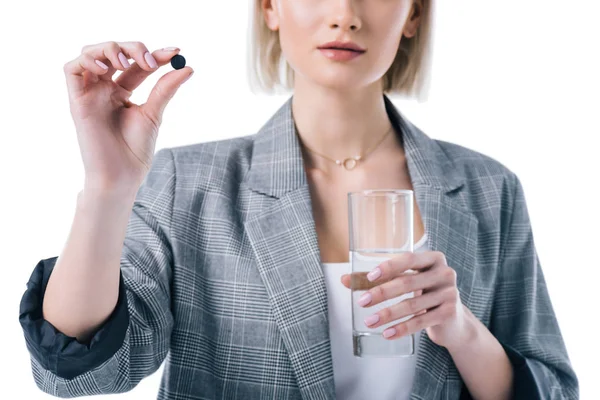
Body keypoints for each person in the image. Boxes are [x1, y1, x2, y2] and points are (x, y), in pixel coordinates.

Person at [18, 0, 579, 399]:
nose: (345, 13)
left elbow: (551, 389)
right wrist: (106, 188)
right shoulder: (186, 184)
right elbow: (81, 372)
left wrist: (461, 330)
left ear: (413, 14)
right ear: (270, 7)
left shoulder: (488, 188)